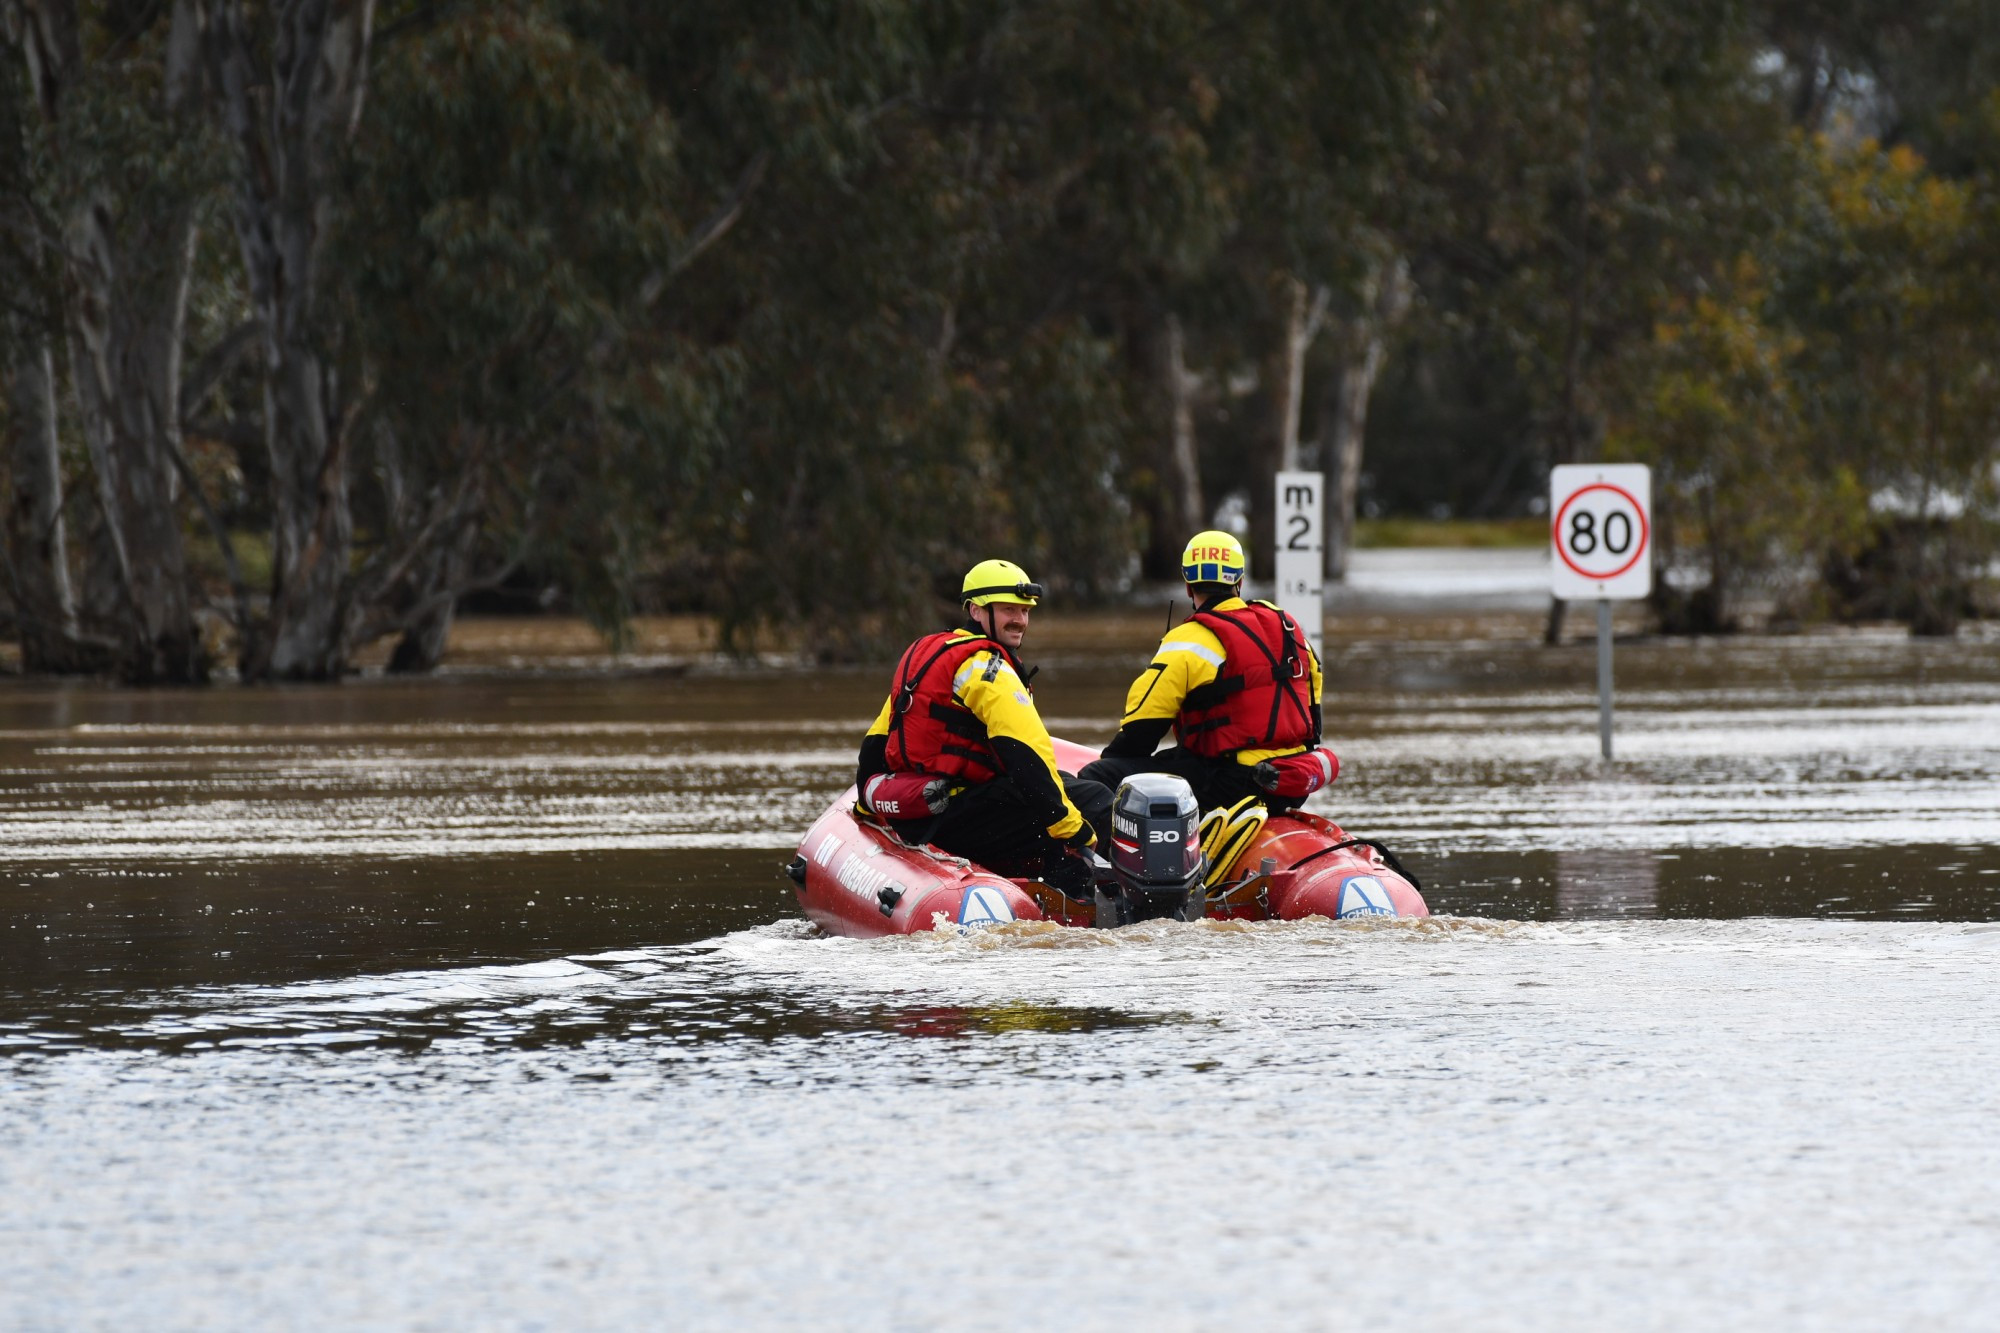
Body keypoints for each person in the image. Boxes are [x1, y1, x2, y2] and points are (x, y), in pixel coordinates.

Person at [856, 559, 1113, 897]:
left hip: (921, 810)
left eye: (1025, 610)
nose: (1020, 620)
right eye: (1009, 610)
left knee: (1066, 787)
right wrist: (1077, 833)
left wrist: (866, 805)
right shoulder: (989, 669)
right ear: (976, 611)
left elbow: (876, 744)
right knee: (1095, 802)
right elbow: (1026, 757)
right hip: (960, 815)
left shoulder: (928, 656)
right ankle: (1074, 900)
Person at [1080, 530, 1327, 814]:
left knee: (1097, 778)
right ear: (1240, 581)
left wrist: (1110, 764)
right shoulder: (1286, 627)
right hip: (1292, 781)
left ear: (1188, 585)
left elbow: (1141, 731)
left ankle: (1111, 854)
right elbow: (1313, 706)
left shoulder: (1189, 639)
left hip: (1230, 784)